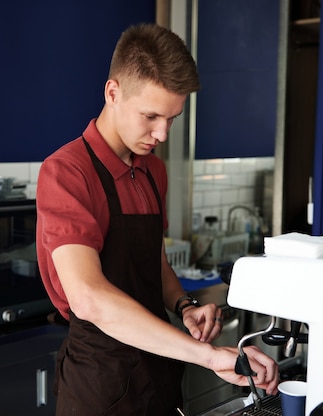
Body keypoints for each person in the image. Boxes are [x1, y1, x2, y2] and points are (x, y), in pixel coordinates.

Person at [36, 23, 279, 415]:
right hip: (100, 384)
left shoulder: (152, 171)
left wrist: (183, 305)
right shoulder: (67, 173)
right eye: (150, 116)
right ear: (112, 92)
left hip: (159, 372)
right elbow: (89, 298)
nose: (162, 134)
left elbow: (154, 260)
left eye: (172, 118)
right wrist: (208, 356)